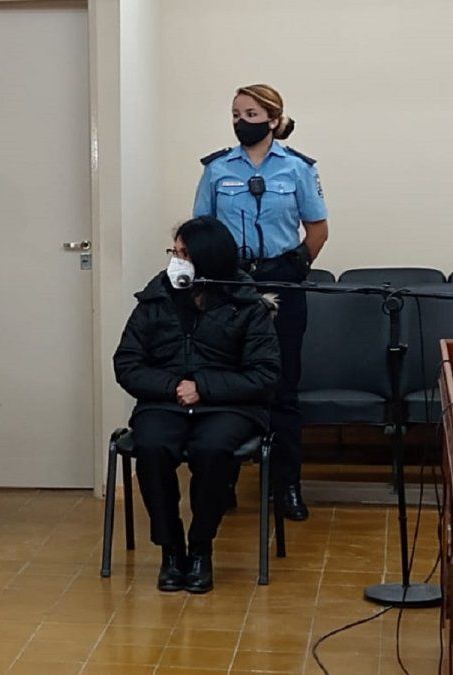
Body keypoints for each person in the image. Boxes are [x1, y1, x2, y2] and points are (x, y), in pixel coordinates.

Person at [113, 217, 281, 593]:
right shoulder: (155, 300)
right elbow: (127, 363)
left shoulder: (246, 305)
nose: (176, 260)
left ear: (209, 258)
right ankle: (171, 551)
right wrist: (174, 387)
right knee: (152, 446)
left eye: (185, 254)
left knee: (212, 448)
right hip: (165, 402)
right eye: (174, 251)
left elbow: (265, 374)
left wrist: (203, 388)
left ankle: (201, 548)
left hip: (229, 406)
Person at [192, 83, 329, 521]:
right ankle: (222, 482)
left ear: (273, 119)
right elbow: (200, 230)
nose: (241, 122)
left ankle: (286, 486)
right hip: (229, 283)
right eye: (236, 114)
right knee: (226, 381)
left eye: (250, 115)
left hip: (281, 281)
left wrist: (294, 268)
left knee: (282, 386)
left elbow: (317, 230)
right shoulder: (217, 169)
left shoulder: (297, 168)